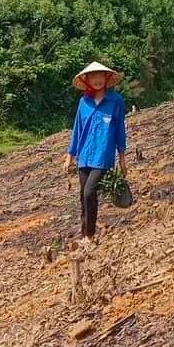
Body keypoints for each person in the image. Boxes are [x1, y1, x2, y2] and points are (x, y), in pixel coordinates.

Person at [63, 62, 128, 246]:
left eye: (101, 76)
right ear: (88, 80)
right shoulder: (84, 102)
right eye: (93, 76)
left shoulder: (116, 102)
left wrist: (122, 160)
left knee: (90, 192)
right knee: (83, 195)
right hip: (84, 156)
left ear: (107, 78)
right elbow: (77, 129)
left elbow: (119, 132)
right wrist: (70, 156)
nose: (97, 80)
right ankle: (84, 236)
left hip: (103, 157)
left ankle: (90, 235)